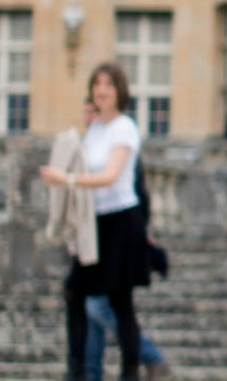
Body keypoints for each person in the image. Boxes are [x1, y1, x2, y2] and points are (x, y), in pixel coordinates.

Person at [41, 64, 153, 381]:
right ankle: (76, 370)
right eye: (97, 84)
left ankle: (129, 372)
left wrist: (66, 179)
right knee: (75, 291)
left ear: (119, 91)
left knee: (120, 301)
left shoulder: (124, 127)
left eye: (108, 84)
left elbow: (109, 176)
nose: (102, 90)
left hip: (122, 220)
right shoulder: (96, 130)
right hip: (96, 223)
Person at [75, 97, 172, 381]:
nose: (87, 116)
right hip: (94, 235)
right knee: (92, 306)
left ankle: (150, 356)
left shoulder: (117, 143)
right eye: (86, 111)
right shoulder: (92, 145)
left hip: (117, 237)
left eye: (92, 111)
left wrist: (143, 233)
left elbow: (137, 194)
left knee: (98, 304)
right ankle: (92, 373)